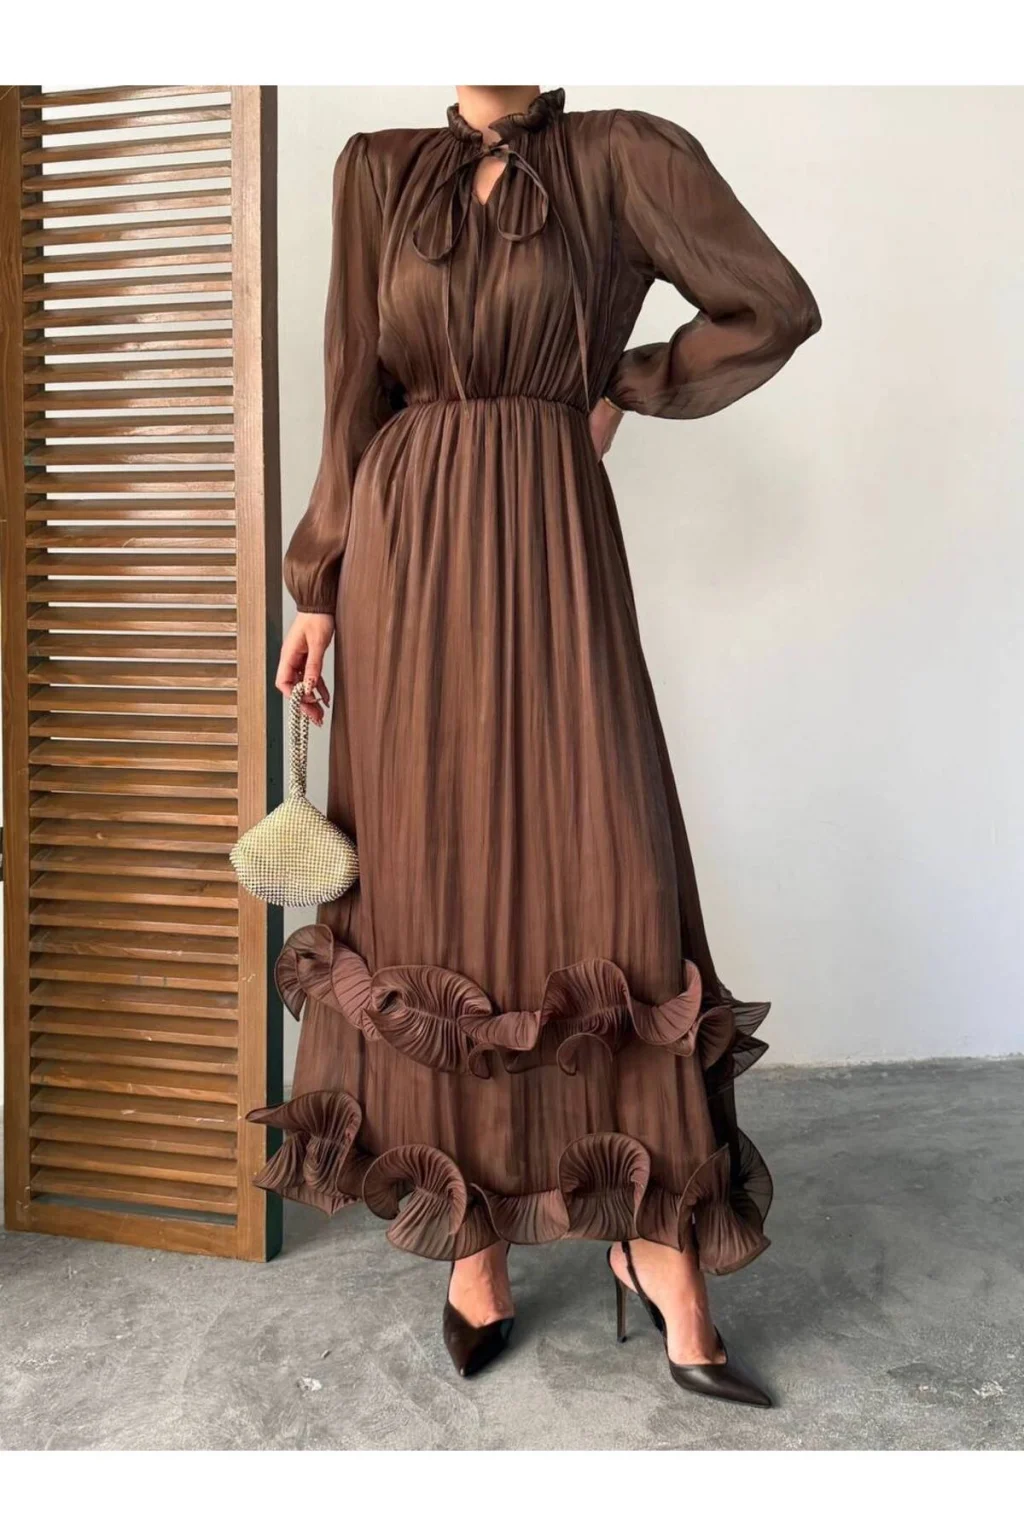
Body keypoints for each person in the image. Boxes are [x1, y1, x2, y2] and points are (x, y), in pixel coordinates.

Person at [249, 85, 820, 1407]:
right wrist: (319, 588)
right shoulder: (378, 170)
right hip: (405, 554)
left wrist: (624, 385)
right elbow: (353, 385)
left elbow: (770, 304)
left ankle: (657, 1244)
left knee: (605, 862)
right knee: (429, 878)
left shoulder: (623, 158)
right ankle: (472, 1241)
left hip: (553, 535)